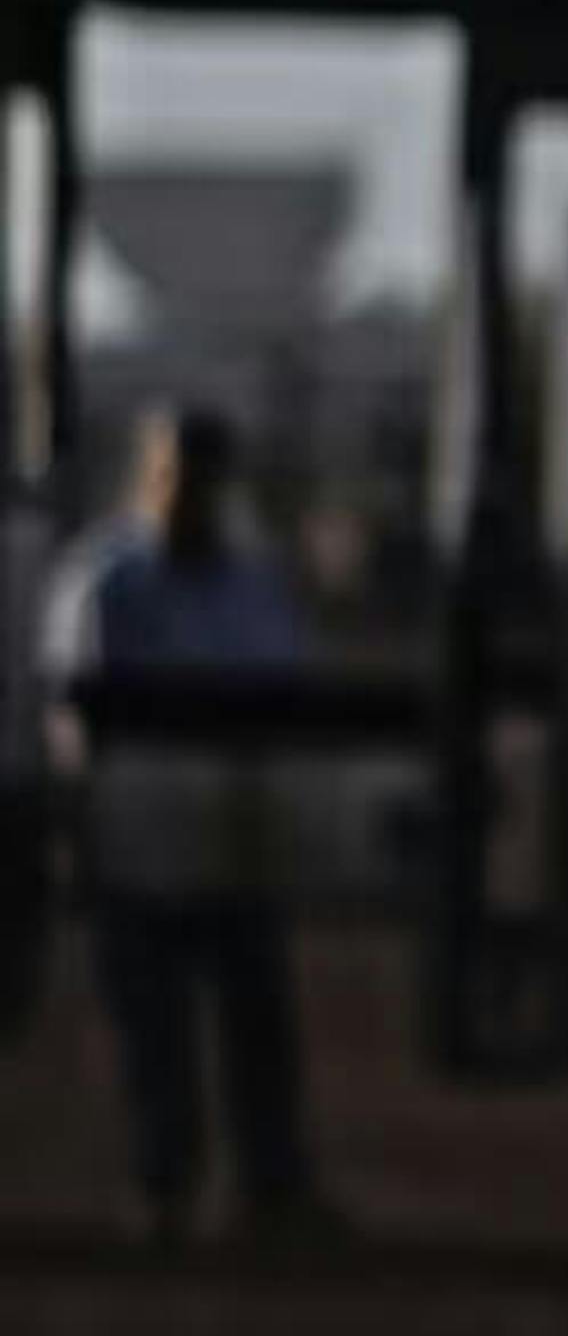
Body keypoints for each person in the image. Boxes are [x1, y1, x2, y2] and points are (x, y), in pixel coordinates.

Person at [41, 405, 340, 1247]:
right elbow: (72, 718)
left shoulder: (254, 582)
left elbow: (285, 694)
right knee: (156, 1032)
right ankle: (164, 1187)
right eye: (175, 472)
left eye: (204, 474)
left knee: (260, 1024)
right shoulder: (105, 578)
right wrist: (76, 830)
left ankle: (272, 1190)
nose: (189, 492)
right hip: (137, 835)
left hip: (236, 830)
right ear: (149, 475)